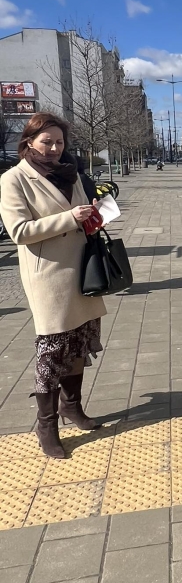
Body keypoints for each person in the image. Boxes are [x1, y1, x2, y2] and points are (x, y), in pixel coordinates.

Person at [0, 113, 106, 458]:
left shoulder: (70, 172)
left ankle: (71, 406)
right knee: (52, 351)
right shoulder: (14, 179)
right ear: (29, 141)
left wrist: (93, 216)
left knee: (79, 343)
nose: (54, 148)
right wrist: (69, 218)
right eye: (47, 142)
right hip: (49, 277)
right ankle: (46, 424)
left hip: (82, 271)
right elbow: (19, 231)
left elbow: (81, 215)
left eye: (59, 142)